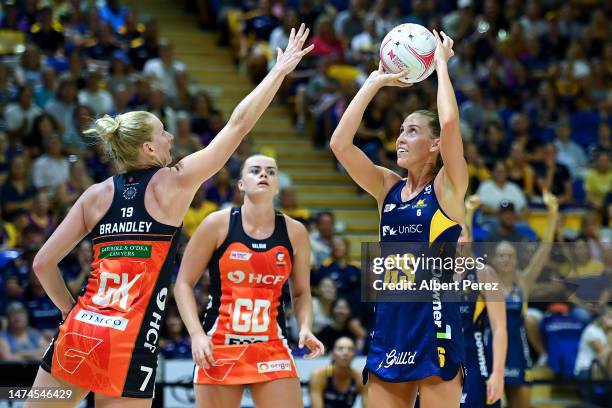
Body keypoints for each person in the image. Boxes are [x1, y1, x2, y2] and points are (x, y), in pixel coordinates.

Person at [25, 24, 313, 408]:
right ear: (147, 147)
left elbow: (44, 263)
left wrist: (68, 310)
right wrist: (278, 72)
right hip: (128, 341)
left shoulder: (95, 195)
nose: (171, 138)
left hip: (81, 330)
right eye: (163, 133)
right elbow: (238, 125)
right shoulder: (173, 184)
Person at [330, 31, 468, 407]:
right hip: (390, 327)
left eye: (412, 131)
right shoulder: (386, 187)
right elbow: (340, 145)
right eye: (400, 130)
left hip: (434, 326)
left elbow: (451, 124)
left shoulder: (447, 188)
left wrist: (440, 64)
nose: (400, 138)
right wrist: (372, 82)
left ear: (435, 144)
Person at [174, 154, 324, 408]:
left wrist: (306, 327)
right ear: (241, 183)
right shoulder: (216, 224)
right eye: (255, 170)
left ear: (276, 185)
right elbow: (183, 284)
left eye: (271, 172)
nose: (264, 175)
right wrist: (197, 335)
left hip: (270, 344)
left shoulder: (295, 231)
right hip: (219, 344)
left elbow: (300, 292)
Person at [489, 191, 558, 408]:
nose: (506, 259)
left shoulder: (524, 283)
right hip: (491, 350)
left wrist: (553, 213)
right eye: (501, 255)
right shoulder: (486, 281)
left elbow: (545, 249)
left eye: (510, 255)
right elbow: (468, 252)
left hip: (519, 352)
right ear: (493, 259)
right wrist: (470, 212)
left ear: (516, 258)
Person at [458, 195, 507, 407]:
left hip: (474, 357)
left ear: (470, 239)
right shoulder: (431, 273)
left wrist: (498, 373)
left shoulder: (484, 273)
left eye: (461, 234)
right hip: (436, 358)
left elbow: (499, 328)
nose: (456, 239)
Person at [309, 337, 366, 408]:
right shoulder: (318, 375)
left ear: (354, 354)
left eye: (350, 349)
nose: (345, 352)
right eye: (340, 349)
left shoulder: (360, 377)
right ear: (332, 353)